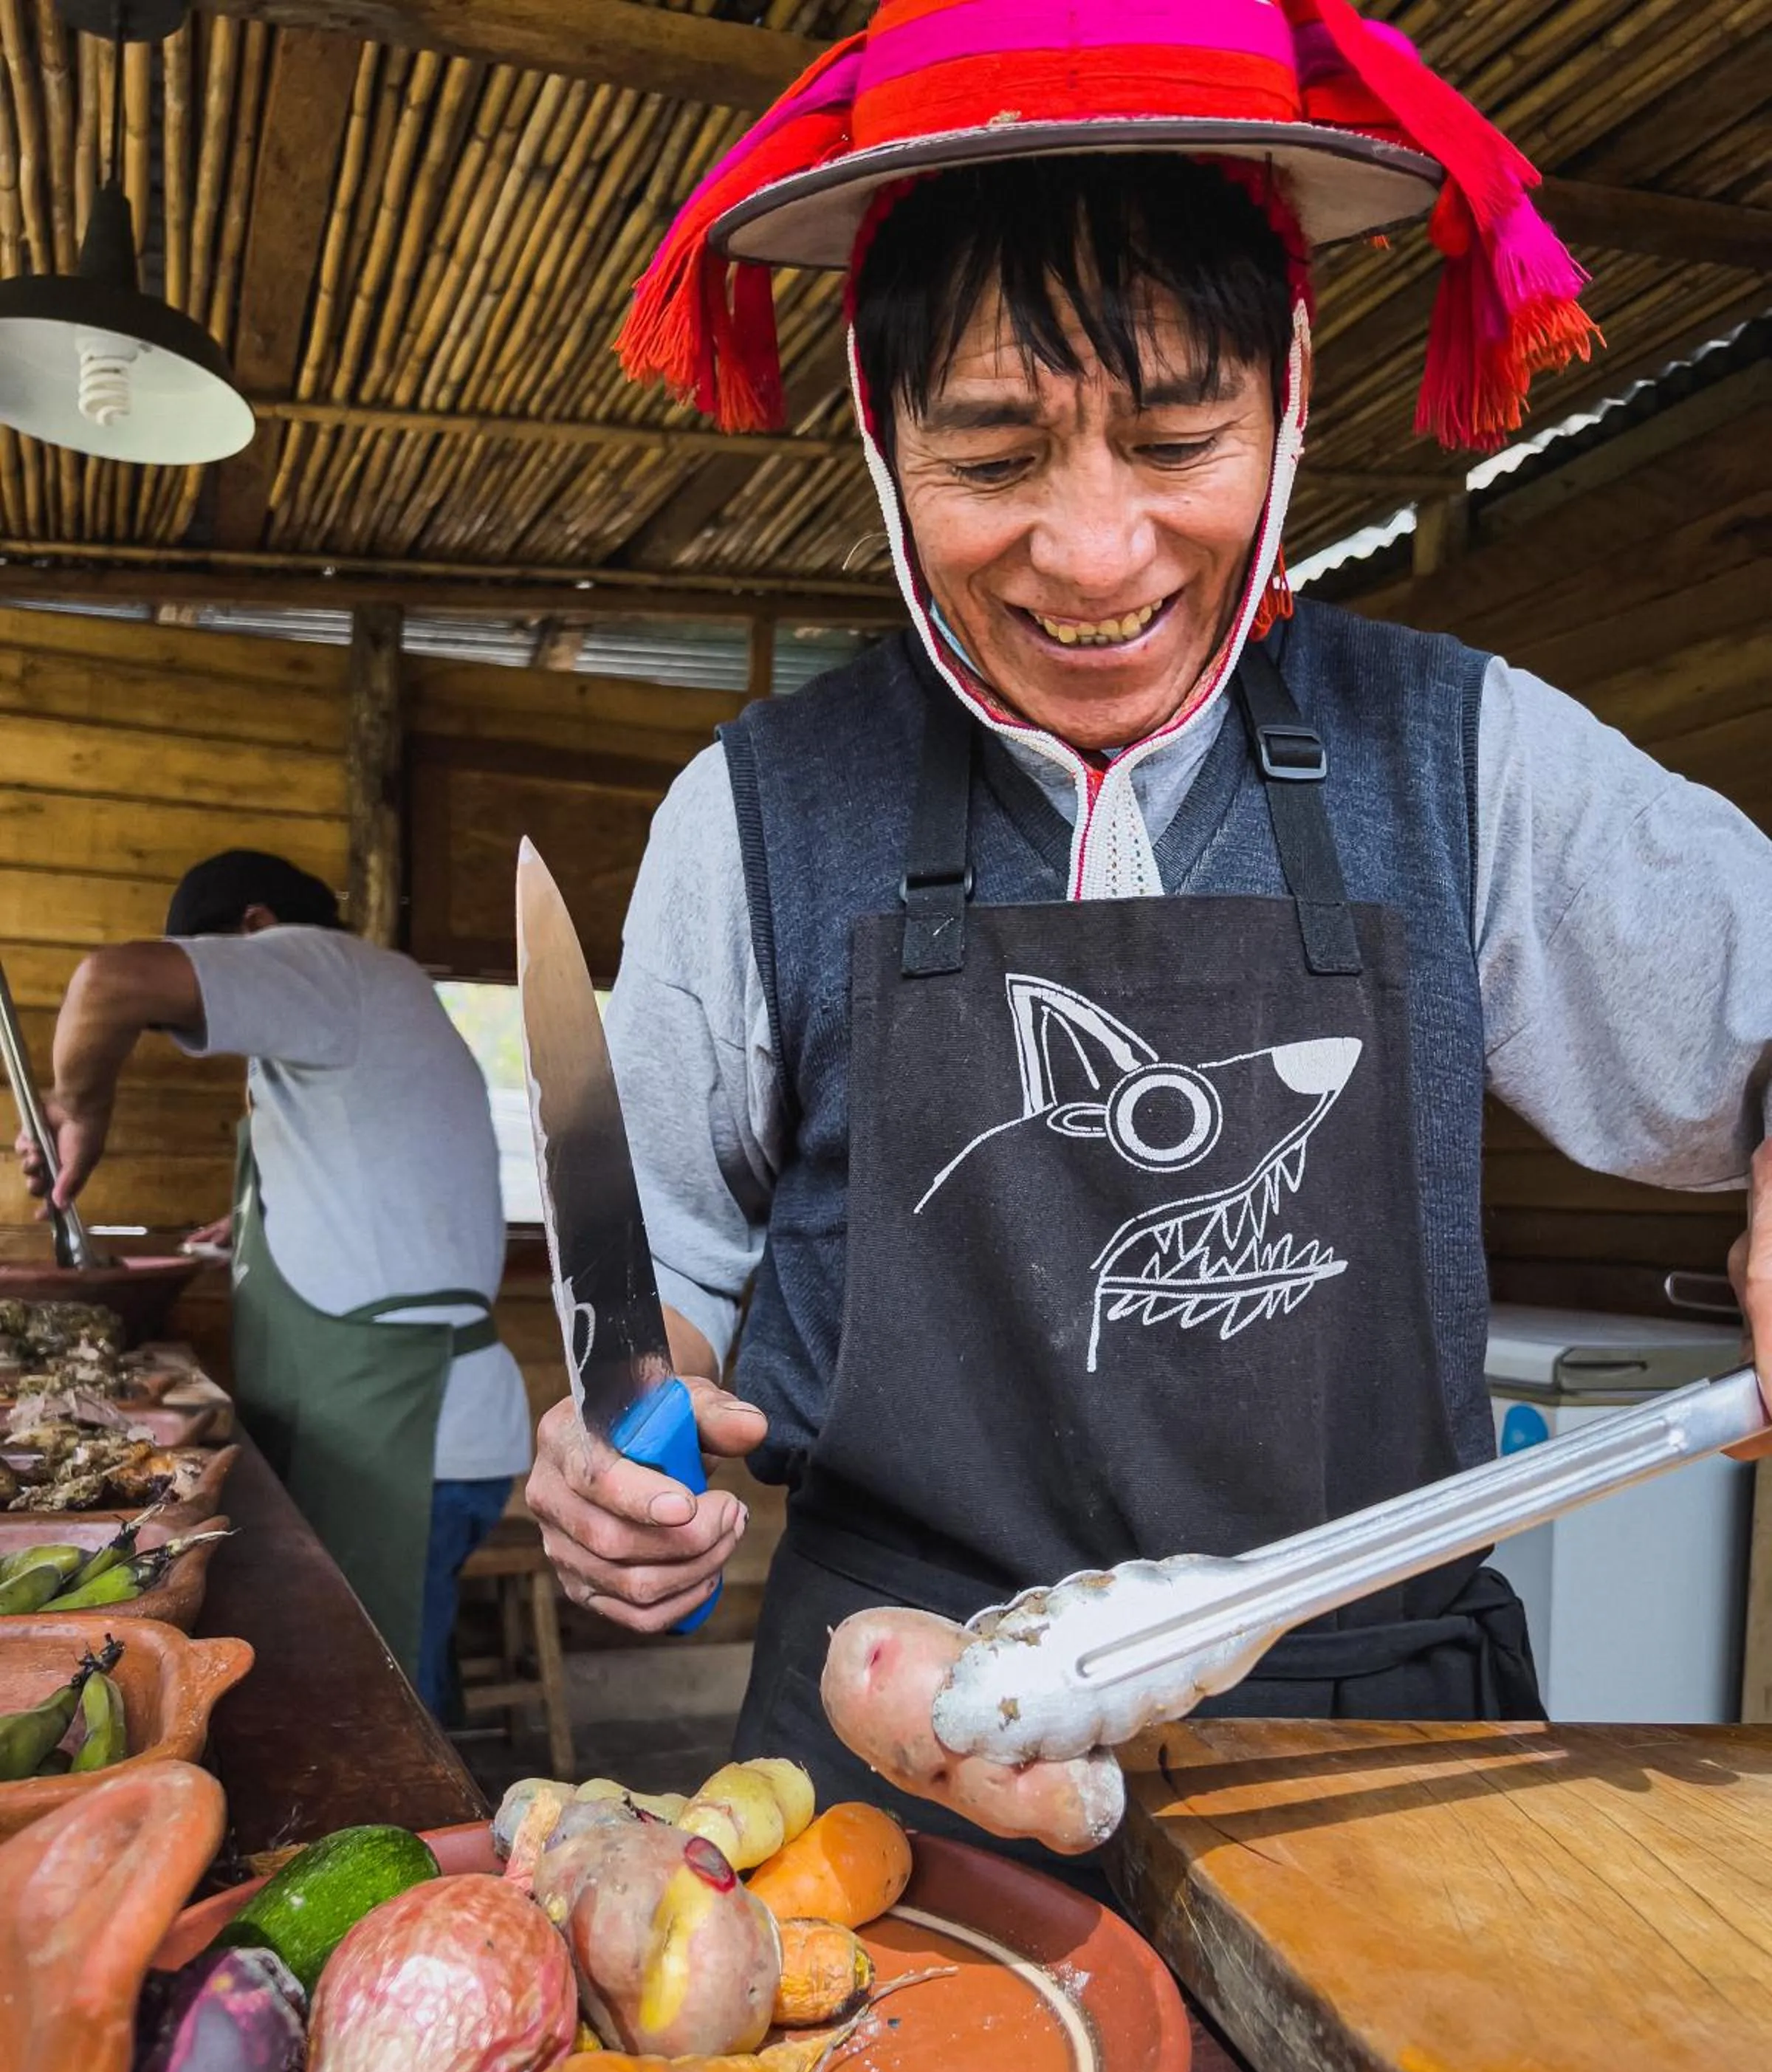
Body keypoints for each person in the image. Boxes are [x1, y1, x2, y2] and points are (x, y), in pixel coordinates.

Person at [526, 0, 1772, 1850]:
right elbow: (668, 1303)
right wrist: (621, 1462)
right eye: (995, 456)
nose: (1095, 556)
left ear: (1285, 403)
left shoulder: (1462, 754)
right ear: (878, 444)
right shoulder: (760, 808)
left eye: (1177, 436)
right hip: (893, 1753)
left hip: (1369, 1772)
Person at [16, 848, 530, 1714]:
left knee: (385, 1702)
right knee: (378, 1679)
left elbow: (109, 981)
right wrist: (255, 1224)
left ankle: (447, 1848)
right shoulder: (347, 1022)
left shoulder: (330, 968)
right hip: (395, 1425)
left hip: (410, 1434)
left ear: (257, 930)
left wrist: (80, 1109)